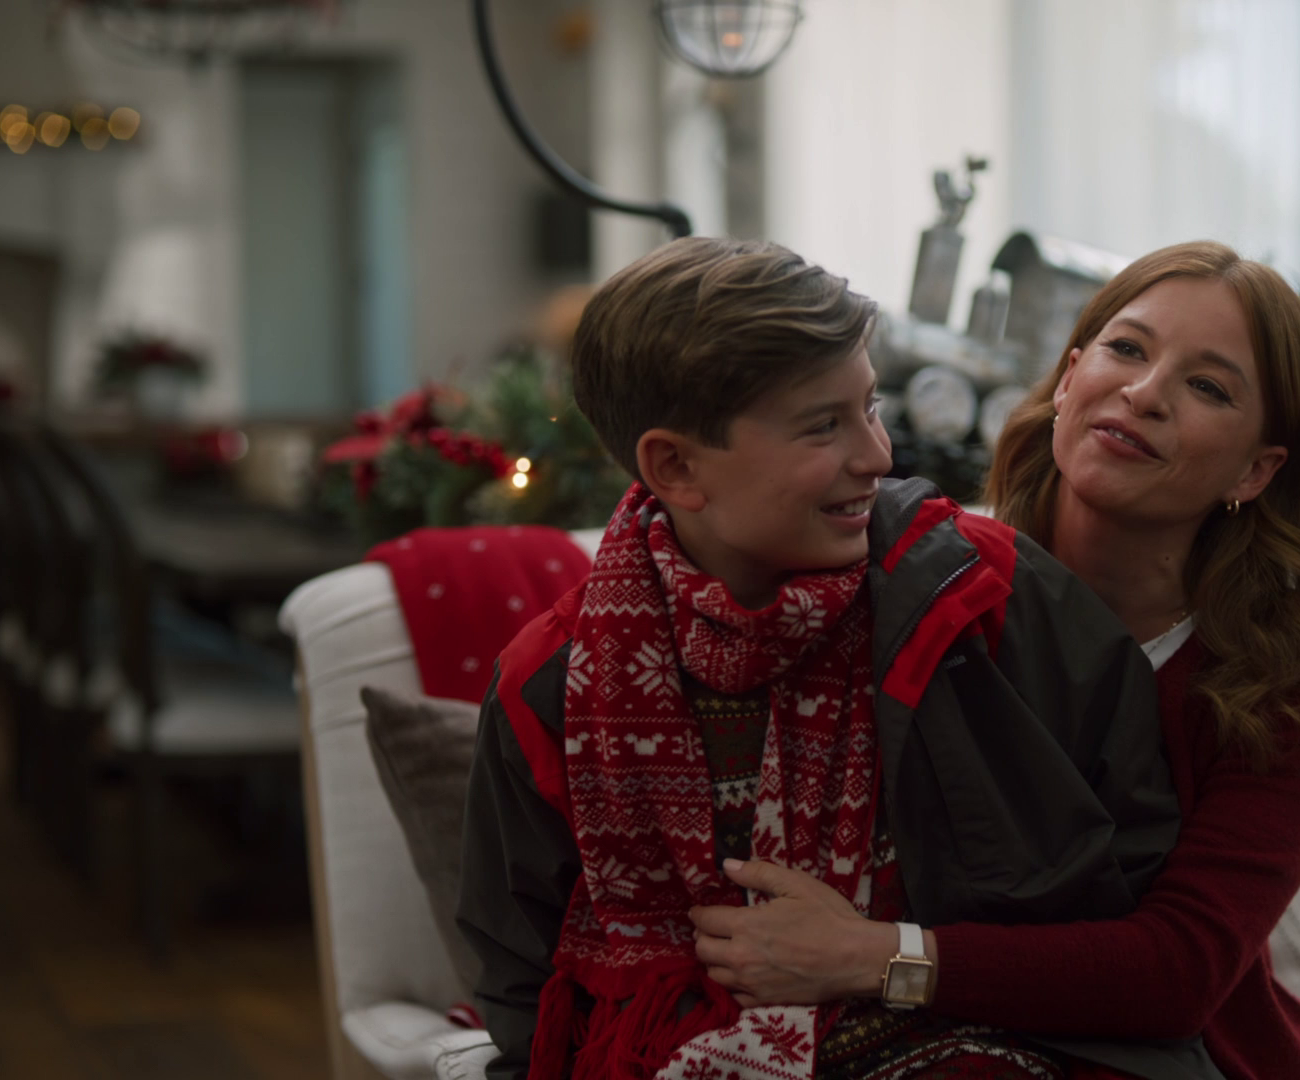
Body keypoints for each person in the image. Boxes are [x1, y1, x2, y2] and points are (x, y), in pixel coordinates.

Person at [687, 241, 1300, 1080]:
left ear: (1257, 469)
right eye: (1126, 348)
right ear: (1069, 376)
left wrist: (876, 958)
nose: (1145, 392)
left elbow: (1178, 972)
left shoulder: (1288, 690)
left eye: (1207, 387)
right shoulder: (919, 580)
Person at [454, 237, 1188, 1080]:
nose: (878, 455)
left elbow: (1132, 894)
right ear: (676, 466)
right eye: (823, 426)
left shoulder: (986, 599)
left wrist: (894, 962)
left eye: (870, 406)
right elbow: (524, 978)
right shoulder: (553, 681)